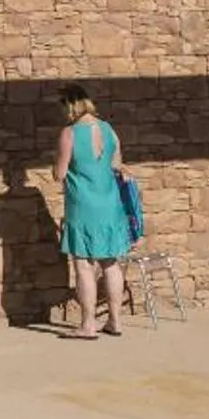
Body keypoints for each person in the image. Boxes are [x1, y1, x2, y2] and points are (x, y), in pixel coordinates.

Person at [51, 84, 132, 337]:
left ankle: (88, 324)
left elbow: (59, 174)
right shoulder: (109, 130)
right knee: (110, 262)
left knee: (84, 264)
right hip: (109, 203)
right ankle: (115, 321)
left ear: (70, 105)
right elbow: (116, 163)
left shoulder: (70, 133)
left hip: (83, 205)